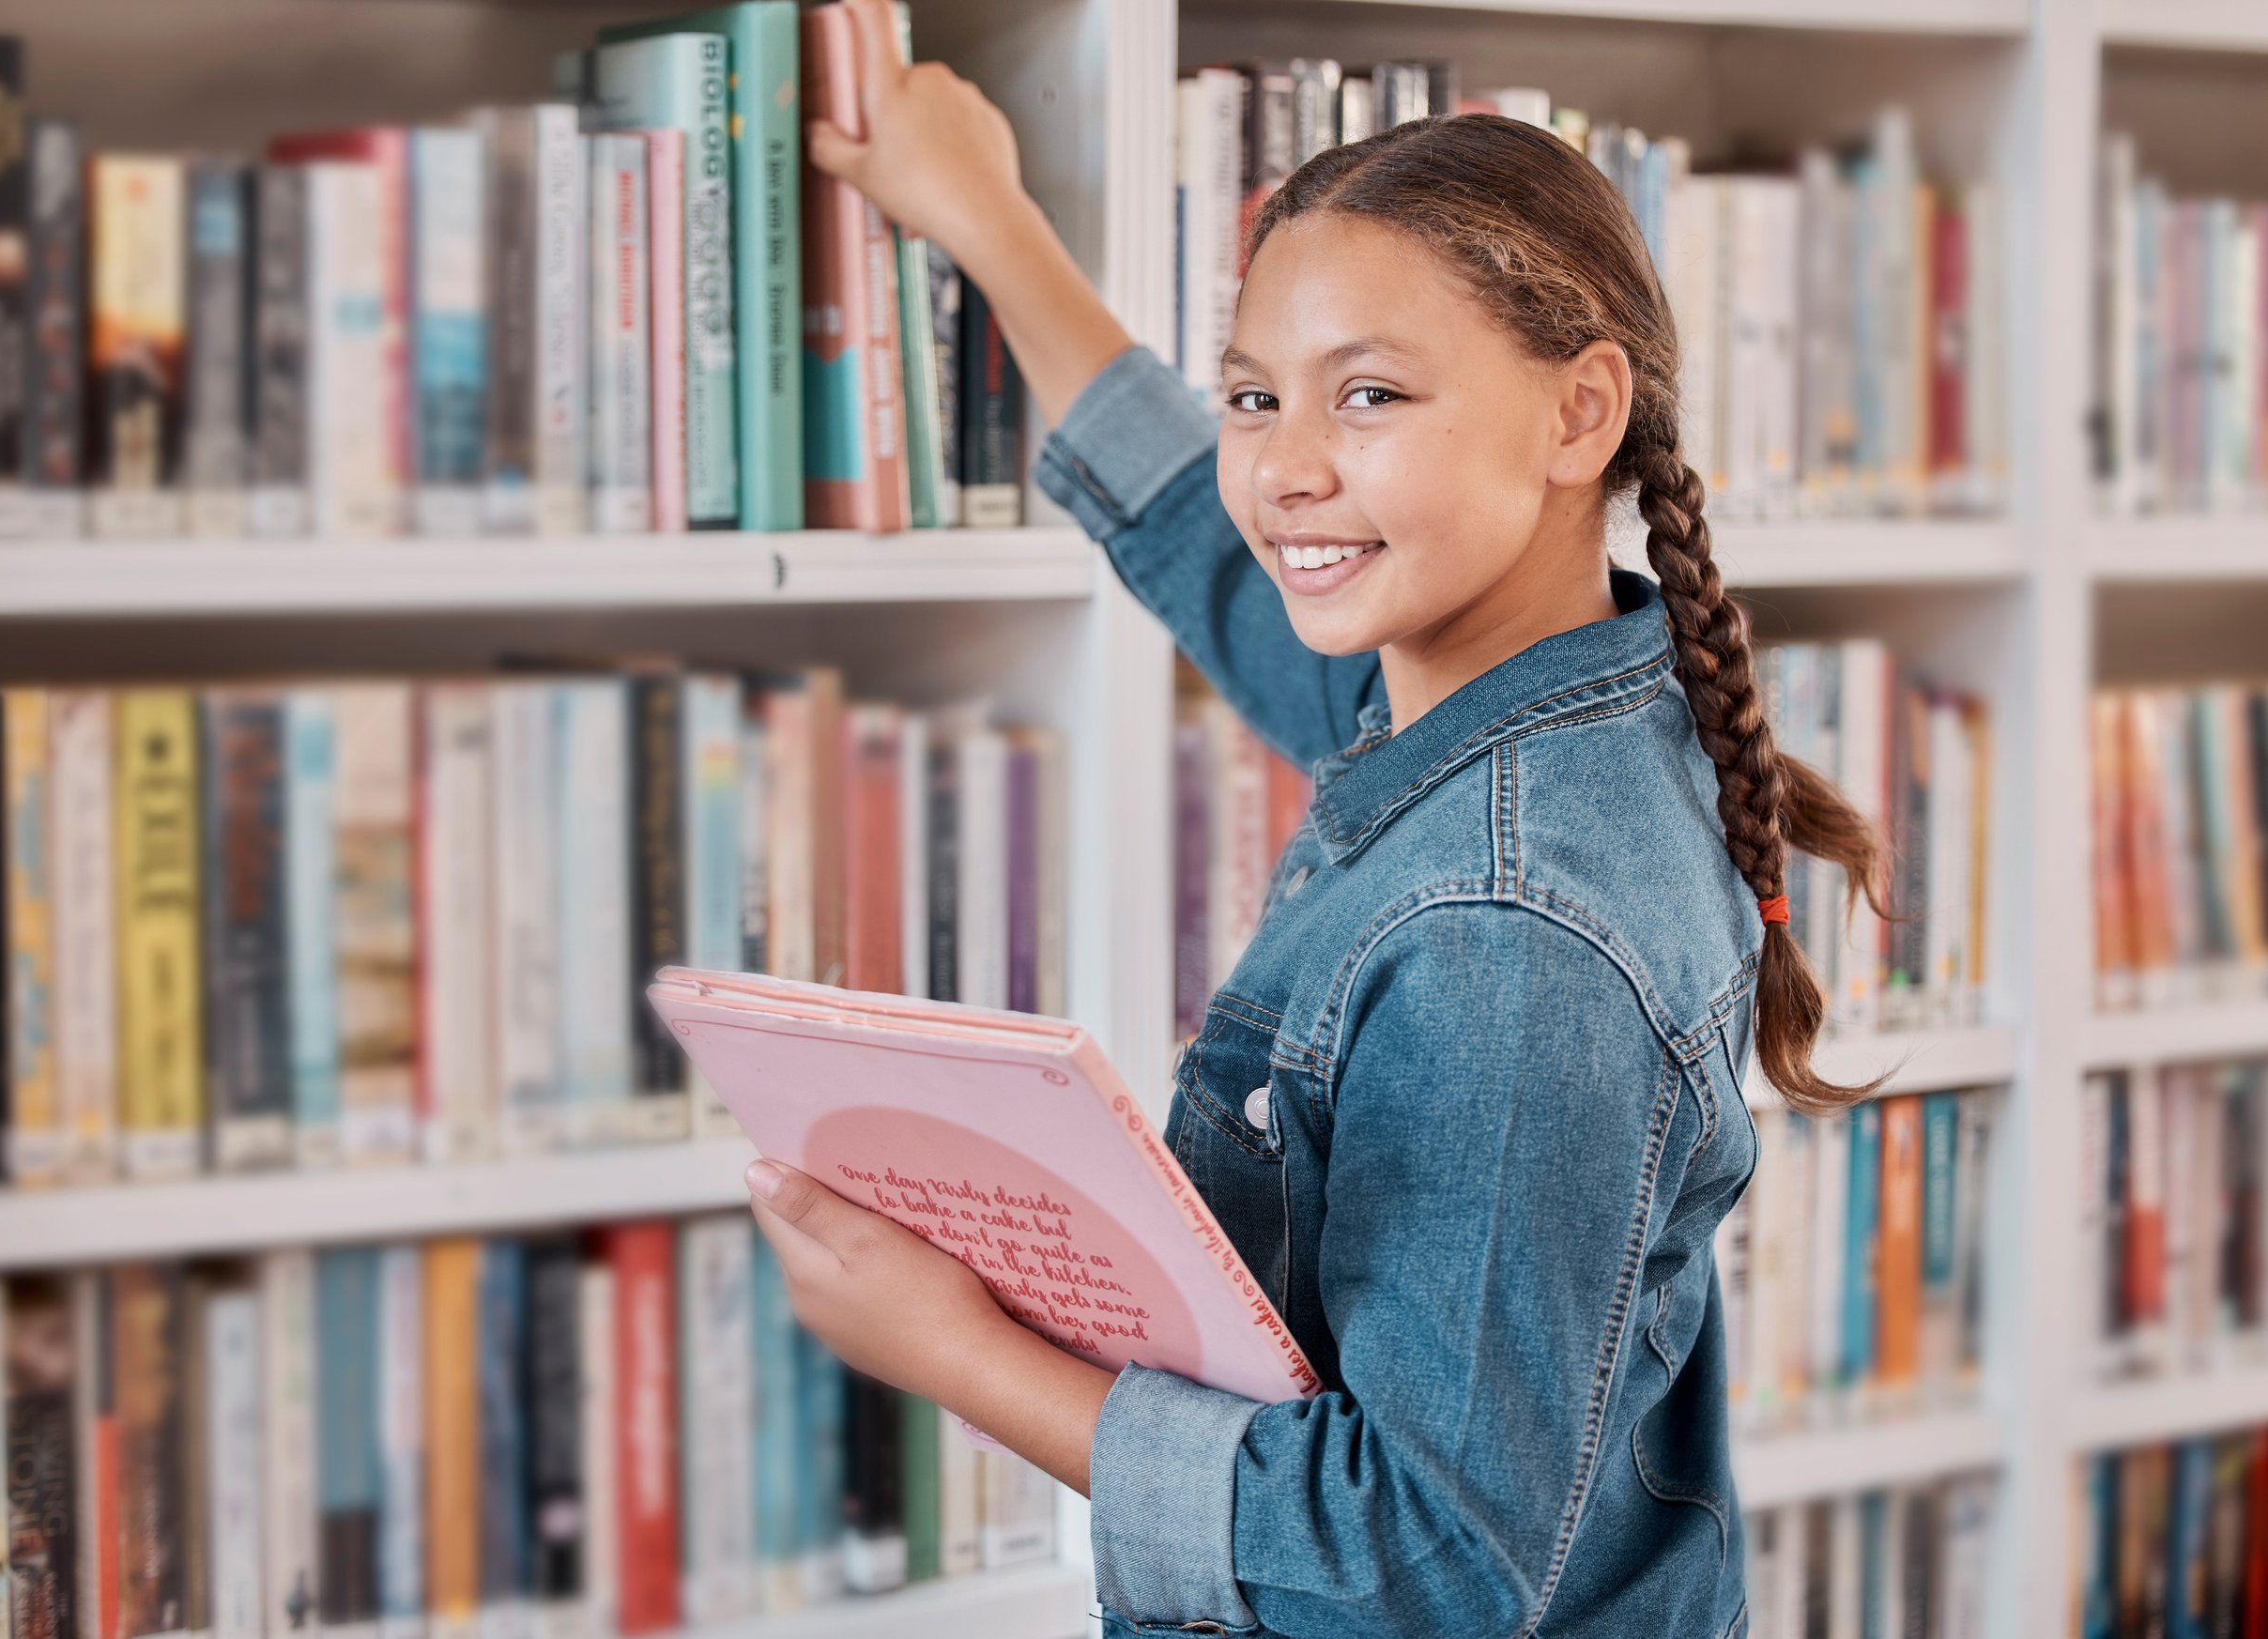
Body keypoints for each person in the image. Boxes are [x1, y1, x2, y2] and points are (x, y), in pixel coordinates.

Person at [738, 3, 1886, 1632]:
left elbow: (1421, 1562)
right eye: (1255, 397)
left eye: (1369, 397)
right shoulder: (1522, 690)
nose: (1280, 471)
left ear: (1581, 412)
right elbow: (1217, 555)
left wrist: (960, 1352)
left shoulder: (1509, 926)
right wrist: (986, 217)